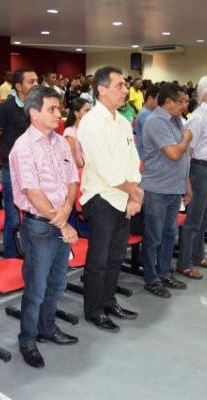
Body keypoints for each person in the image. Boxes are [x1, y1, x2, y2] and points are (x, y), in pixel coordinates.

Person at [9, 85, 79, 369]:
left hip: (61, 220)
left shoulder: (61, 142)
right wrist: (61, 222)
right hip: (39, 227)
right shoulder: (22, 147)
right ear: (34, 112)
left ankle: (47, 328)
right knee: (36, 289)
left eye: (58, 108)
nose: (58, 113)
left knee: (58, 282)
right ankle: (27, 340)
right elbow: (33, 193)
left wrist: (66, 211)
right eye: (51, 109)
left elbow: (73, 180)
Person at [78, 66, 142, 332]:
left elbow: (132, 160)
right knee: (99, 259)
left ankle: (109, 300)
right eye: (119, 85)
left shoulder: (123, 121)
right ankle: (94, 310)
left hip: (122, 195)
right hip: (102, 198)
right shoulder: (91, 123)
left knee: (117, 256)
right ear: (101, 89)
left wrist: (132, 195)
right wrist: (133, 191)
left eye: (125, 85)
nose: (125, 90)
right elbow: (105, 167)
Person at [140, 83, 191, 298]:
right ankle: (151, 278)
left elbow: (184, 158)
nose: (186, 105)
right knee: (154, 237)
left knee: (170, 234)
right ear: (168, 102)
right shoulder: (156, 121)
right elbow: (174, 153)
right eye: (182, 101)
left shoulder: (176, 120)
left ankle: (164, 273)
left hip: (173, 188)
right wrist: (188, 136)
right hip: (157, 189)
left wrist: (187, 185)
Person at [176, 76, 207, 280]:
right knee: (194, 219)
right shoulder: (198, 118)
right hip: (201, 171)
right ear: (206, 94)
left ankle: (198, 256)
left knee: (205, 217)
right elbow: (188, 150)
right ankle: (184, 263)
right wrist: (188, 181)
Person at [0, 68, 38, 258]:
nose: (36, 85)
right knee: (13, 215)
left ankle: (30, 252)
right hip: (12, 169)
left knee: (34, 214)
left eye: (36, 81)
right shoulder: (5, 108)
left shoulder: (37, 106)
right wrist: (3, 158)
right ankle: (11, 256)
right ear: (18, 86)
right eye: (31, 81)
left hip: (35, 168)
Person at [64, 97, 91, 168]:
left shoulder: (88, 129)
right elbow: (73, 162)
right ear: (76, 113)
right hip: (80, 173)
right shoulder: (70, 132)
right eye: (87, 110)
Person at [133, 85, 159, 158]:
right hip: (144, 156)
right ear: (150, 98)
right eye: (158, 99)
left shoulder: (149, 112)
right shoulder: (145, 114)